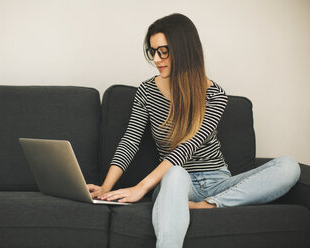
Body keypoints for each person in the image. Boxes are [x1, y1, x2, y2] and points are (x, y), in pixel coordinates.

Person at [87, 13, 301, 248]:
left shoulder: (215, 95)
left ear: (185, 49)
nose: (157, 59)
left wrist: (141, 188)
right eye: (153, 51)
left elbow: (189, 144)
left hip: (218, 182)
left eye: (164, 51)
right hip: (176, 184)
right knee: (177, 173)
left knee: (289, 166)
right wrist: (105, 189)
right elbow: (130, 141)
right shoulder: (147, 91)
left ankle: (208, 206)